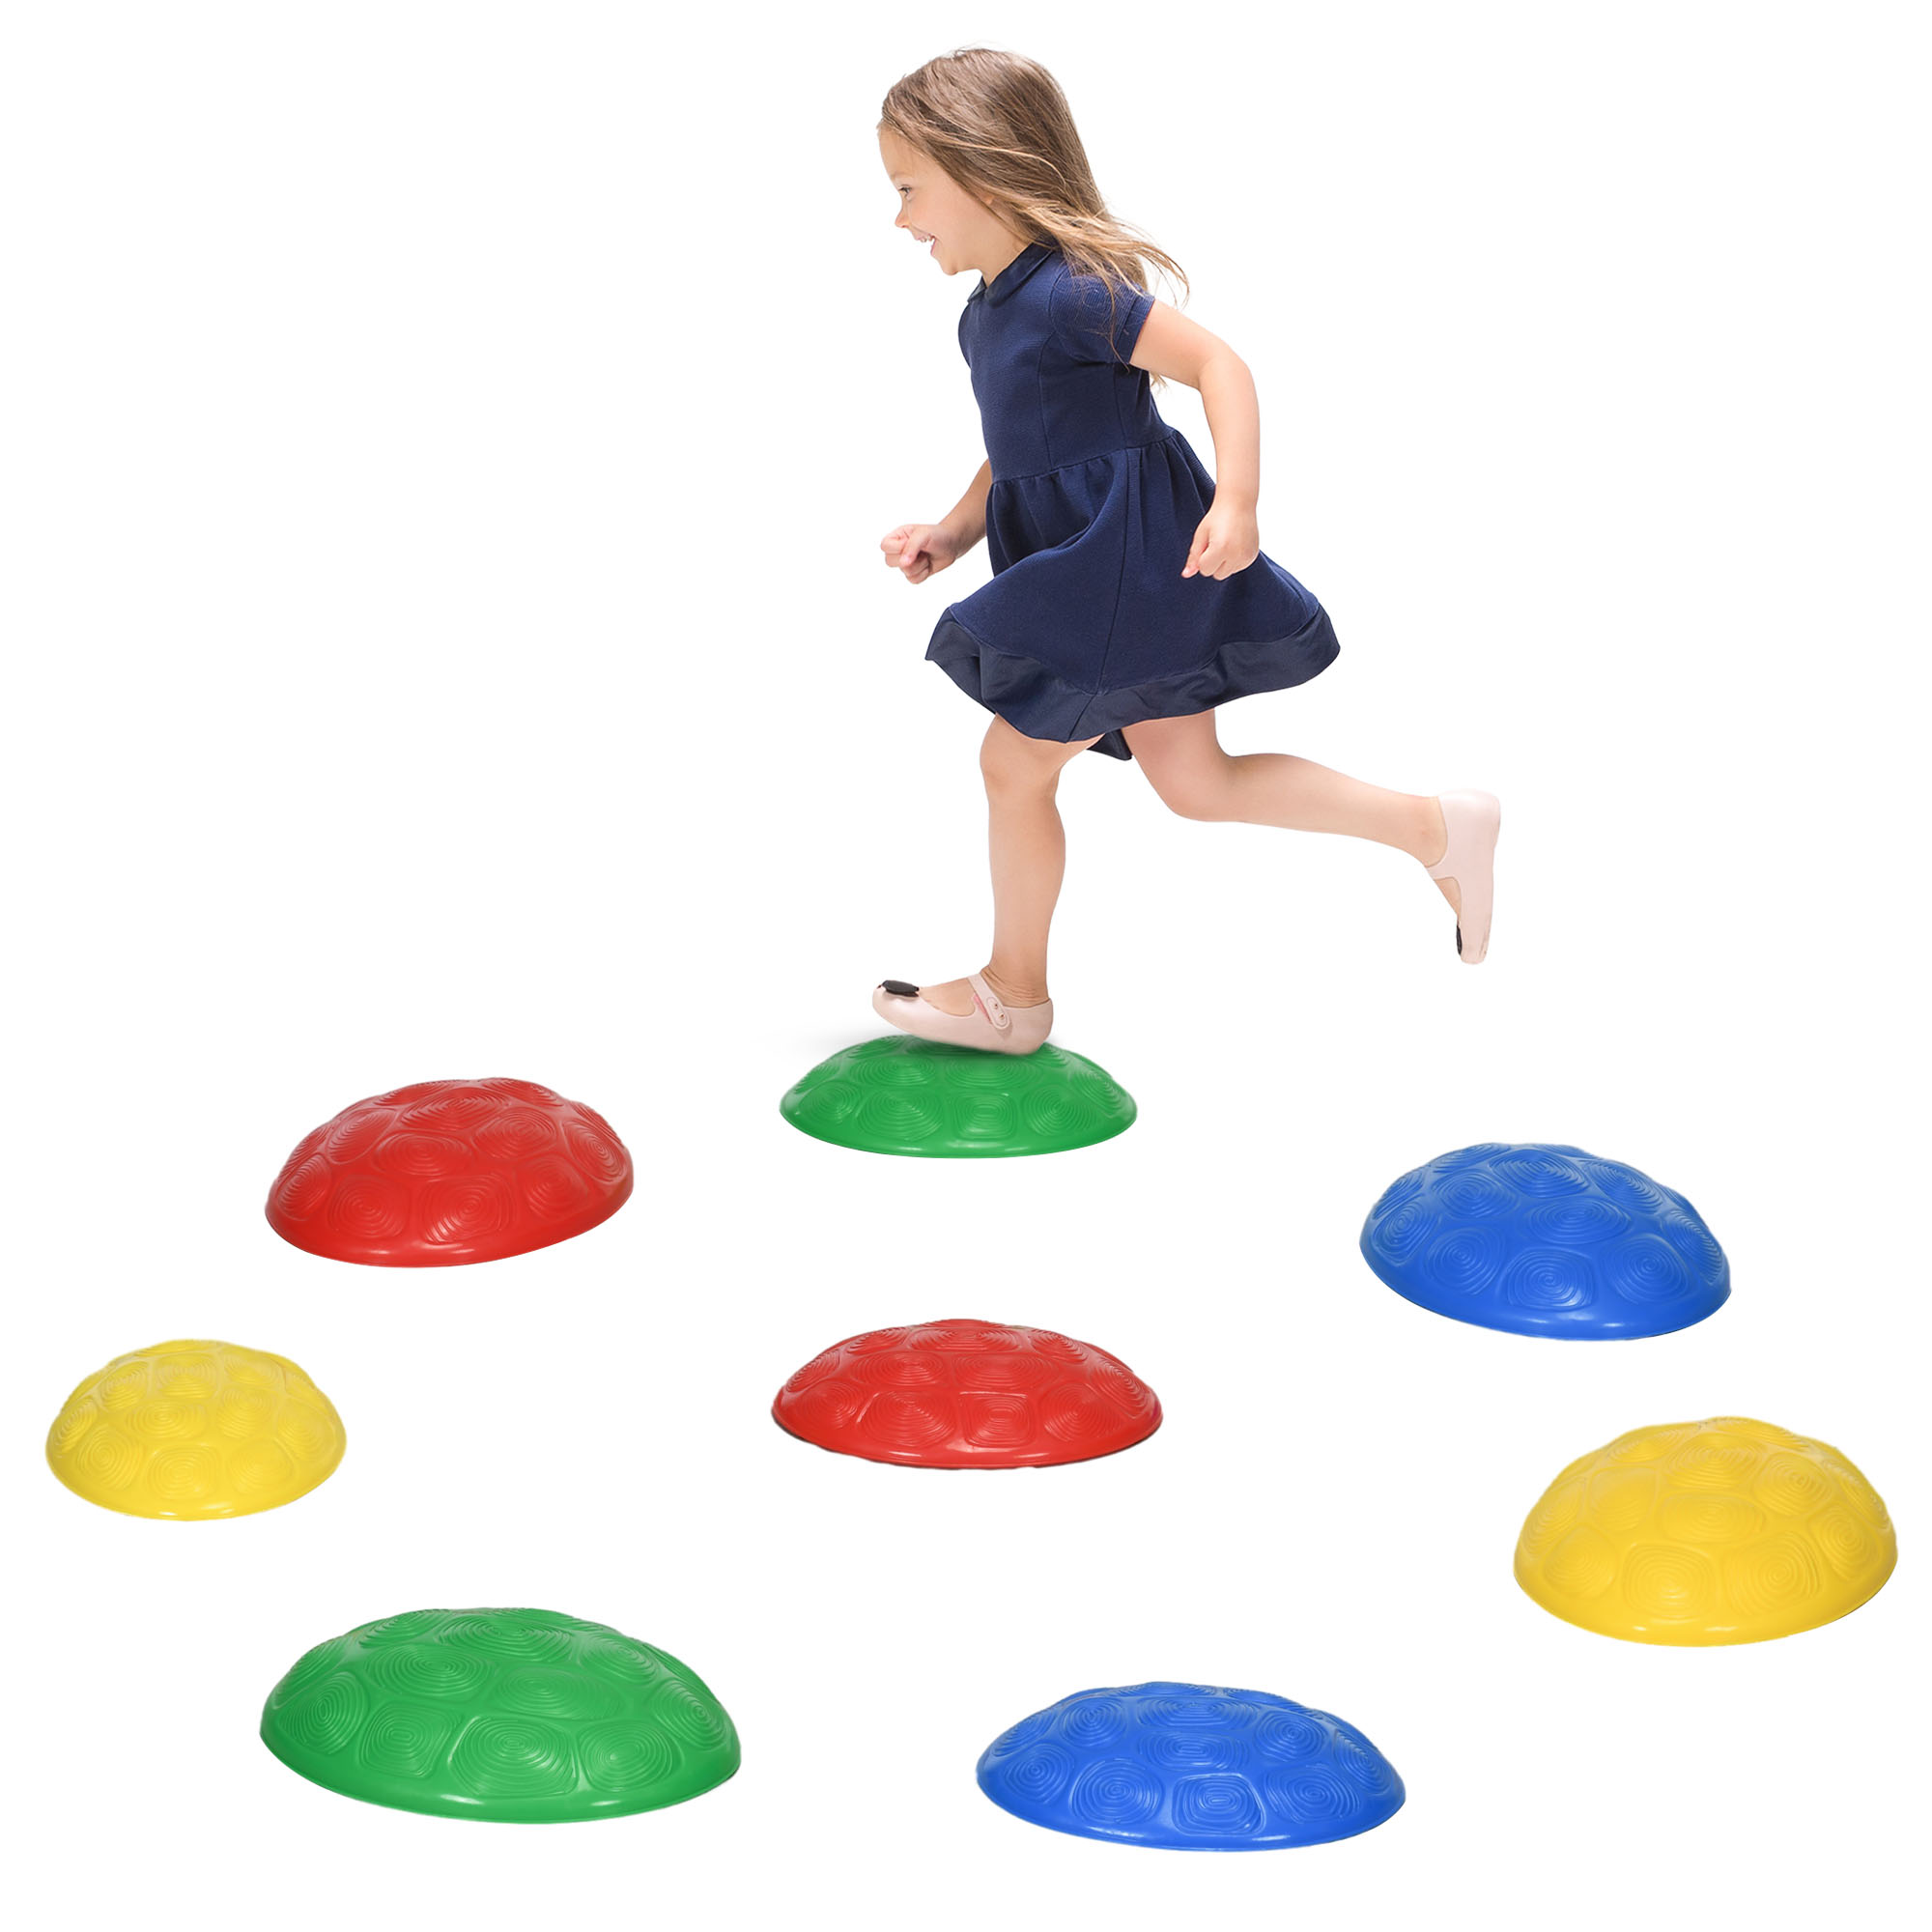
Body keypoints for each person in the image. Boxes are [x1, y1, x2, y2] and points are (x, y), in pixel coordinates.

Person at [874, 48, 1500, 1055]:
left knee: (1012, 764)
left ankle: (1012, 997)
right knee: (1195, 783)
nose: (901, 219)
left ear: (982, 172)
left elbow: (1218, 363)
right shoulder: (983, 316)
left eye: (909, 189)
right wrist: (955, 528)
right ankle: (1436, 826)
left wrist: (1238, 500)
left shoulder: (1070, 294)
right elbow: (1024, 445)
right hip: (1104, 563)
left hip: (1119, 561)